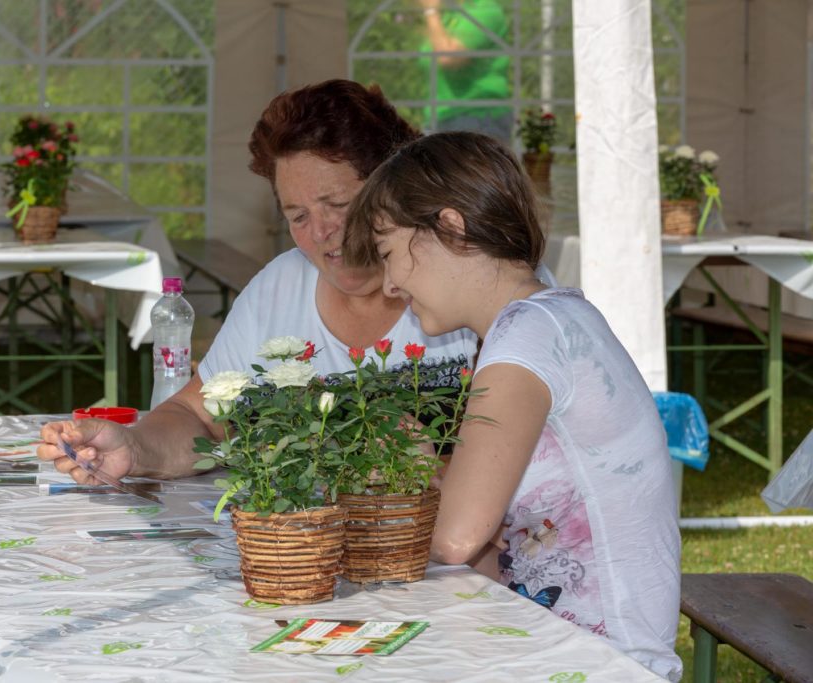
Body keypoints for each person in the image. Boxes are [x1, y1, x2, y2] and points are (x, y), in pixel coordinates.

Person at [342, 131, 682, 680]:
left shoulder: (528, 334)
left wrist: (402, 484)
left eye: (388, 254)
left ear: (449, 228)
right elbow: (482, 543)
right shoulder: (545, 318)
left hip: (606, 665)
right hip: (555, 644)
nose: (389, 284)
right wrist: (428, 470)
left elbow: (453, 539)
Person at [36, 80, 476, 483]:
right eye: (298, 216)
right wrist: (134, 448)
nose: (321, 232)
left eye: (338, 204)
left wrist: (424, 470)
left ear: (392, 187)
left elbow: (537, 460)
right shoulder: (279, 289)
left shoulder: (471, 280)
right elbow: (198, 415)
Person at [420, 0, 513, 141]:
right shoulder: (450, 15)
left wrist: (431, 11)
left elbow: (449, 57)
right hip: (441, 117)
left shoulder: (485, 9)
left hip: (475, 119)